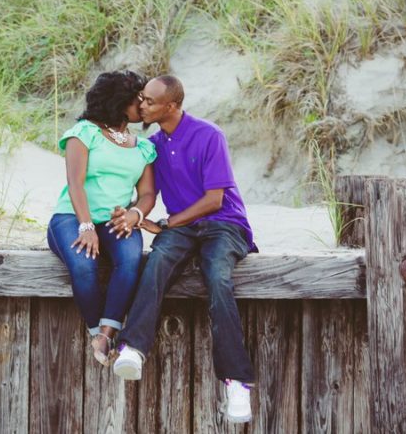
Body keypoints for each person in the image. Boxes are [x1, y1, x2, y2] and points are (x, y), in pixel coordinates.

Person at [110, 75, 257, 423]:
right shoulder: (154, 145)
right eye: (141, 99)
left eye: (148, 100)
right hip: (181, 227)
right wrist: (131, 214)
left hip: (225, 224)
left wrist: (167, 224)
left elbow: (214, 199)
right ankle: (133, 347)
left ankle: (237, 382)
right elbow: (148, 195)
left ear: (171, 105)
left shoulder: (209, 134)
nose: (141, 105)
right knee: (157, 262)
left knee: (218, 277)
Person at [47, 70, 158, 366]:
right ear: (121, 101)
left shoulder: (144, 147)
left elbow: (147, 194)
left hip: (116, 220)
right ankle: (97, 330)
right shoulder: (84, 133)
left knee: (131, 259)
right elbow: (75, 183)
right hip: (72, 216)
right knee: (84, 265)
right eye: (139, 100)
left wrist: (134, 215)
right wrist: (86, 226)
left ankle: (108, 332)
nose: (144, 106)